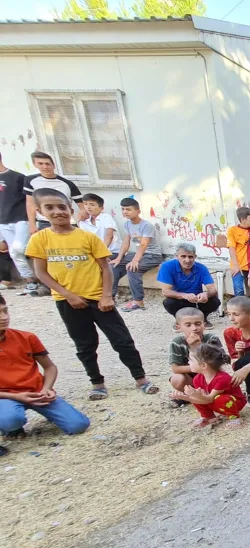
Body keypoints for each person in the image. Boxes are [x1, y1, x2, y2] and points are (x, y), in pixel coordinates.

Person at [26, 189, 158, 400]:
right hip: (67, 301)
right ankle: (97, 383)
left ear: (70, 210)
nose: (57, 212)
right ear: (40, 211)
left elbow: (106, 268)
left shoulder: (87, 237)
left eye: (61, 207)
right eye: (49, 207)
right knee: (85, 344)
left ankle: (140, 378)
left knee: (122, 340)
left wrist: (107, 296)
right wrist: (67, 295)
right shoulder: (40, 239)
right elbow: (41, 272)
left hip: (98, 298)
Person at [0, 292, 90, 437]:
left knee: (78, 425)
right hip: (5, 396)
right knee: (11, 420)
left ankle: (51, 413)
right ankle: (11, 427)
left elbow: (49, 367)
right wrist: (18, 397)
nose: (4, 317)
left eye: (5, 310)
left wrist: (46, 388)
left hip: (37, 392)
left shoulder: (26, 337)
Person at [24, 152, 85, 296]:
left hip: (68, 224)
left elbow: (81, 205)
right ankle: (48, 286)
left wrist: (82, 213)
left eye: (47, 163)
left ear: (53, 165)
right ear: (35, 165)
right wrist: (32, 224)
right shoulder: (31, 181)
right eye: (41, 163)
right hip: (44, 223)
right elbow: (30, 204)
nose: (45, 167)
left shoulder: (66, 183)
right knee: (47, 256)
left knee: (70, 254)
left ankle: (74, 284)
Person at [171, 339, 247, 428]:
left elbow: (209, 399)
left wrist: (191, 397)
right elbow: (203, 397)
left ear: (203, 365)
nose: (188, 363)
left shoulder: (222, 379)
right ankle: (209, 417)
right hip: (213, 401)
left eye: (191, 360)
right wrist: (185, 397)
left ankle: (234, 417)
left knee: (220, 399)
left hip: (234, 402)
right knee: (196, 396)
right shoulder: (197, 379)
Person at [111, 198, 163, 311]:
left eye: (128, 209)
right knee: (114, 266)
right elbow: (126, 242)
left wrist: (135, 260)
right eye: (123, 209)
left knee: (132, 268)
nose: (125, 212)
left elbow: (144, 245)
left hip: (152, 255)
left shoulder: (146, 226)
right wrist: (119, 258)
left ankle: (138, 301)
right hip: (138, 253)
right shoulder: (127, 224)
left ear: (138, 211)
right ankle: (111, 297)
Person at [167, 307, 223, 404]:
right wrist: (197, 367)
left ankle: (205, 396)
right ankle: (193, 396)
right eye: (188, 325)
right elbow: (176, 369)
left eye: (198, 324)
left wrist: (197, 347)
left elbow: (217, 363)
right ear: (179, 327)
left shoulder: (211, 339)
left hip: (210, 377)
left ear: (204, 325)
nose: (194, 328)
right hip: (191, 380)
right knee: (177, 379)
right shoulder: (177, 342)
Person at [157, 243, 221, 320]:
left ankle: (203, 319)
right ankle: (180, 320)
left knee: (215, 301)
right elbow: (165, 291)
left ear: (195, 257)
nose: (187, 260)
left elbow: (213, 290)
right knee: (169, 302)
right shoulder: (167, 266)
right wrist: (184, 295)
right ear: (176, 256)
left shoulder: (202, 268)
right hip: (179, 299)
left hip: (197, 299)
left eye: (190, 257)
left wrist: (206, 294)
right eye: (183, 256)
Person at [0, 152, 30, 292]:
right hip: (2, 221)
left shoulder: (17, 177)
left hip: (20, 218)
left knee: (18, 248)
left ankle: (37, 278)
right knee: (13, 252)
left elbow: (28, 200)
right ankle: (29, 280)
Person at [227, 206, 250, 297]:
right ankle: (239, 310)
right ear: (243, 219)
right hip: (239, 266)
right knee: (239, 291)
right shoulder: (233, 230)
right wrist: (235, 265)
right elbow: (231, 248)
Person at [79, 194, 121, 258]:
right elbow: (84, 240)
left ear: (101, 208)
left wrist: (102, 252)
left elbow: (109, 236)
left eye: (92, 205)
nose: (88, 207)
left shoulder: (106, 217)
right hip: (94, 254)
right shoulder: (83, 221)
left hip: (112, 252)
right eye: (85, 204)